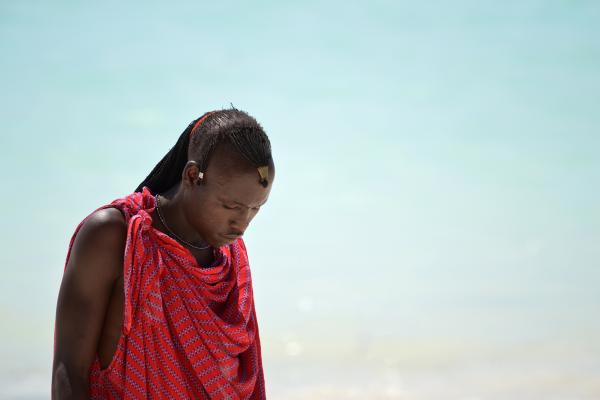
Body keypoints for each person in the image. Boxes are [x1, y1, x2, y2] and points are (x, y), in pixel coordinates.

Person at [52, 108, 275, 399]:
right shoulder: (114, 237)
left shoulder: (231, 258)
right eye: (231, 207)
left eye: (255, 209)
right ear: (193, 176)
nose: (242, 224)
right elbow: (69, 371)